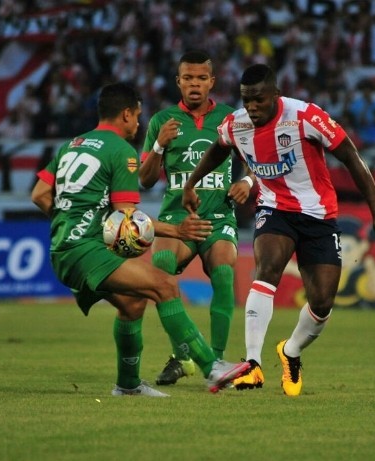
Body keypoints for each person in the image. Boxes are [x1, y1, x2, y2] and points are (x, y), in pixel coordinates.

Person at [182, 64, 375, 396]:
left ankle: (291, 351)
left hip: (318, 215)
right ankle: (252, 364)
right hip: (274, 209)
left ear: (276, 95)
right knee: (266, 270)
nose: (252, 107)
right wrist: (191, 183)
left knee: (322, 303)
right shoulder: (236, 124)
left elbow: (350, 156)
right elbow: (218, 148)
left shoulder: (305, 116)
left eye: (259, 99)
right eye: (246, 100)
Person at [31, 82, 250, 397]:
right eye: (136, 116)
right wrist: (177, 231)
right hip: (86, 251)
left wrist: (72, 222)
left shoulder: (72, 145)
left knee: (133, 304)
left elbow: (39, 194)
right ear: (125, 114)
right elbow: (128, 218)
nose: (138, 124)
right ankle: (211, 367)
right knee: (165, 285)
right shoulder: (121, 151)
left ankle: (128, 384)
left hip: (63, 247)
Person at [139, 50, 254, 386]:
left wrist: (247, 182)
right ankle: (184, 356)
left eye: (201, 78)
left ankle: (215, 360)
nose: (194, 84)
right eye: (188, 78)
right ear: (178, 81)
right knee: (160, 270)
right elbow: (145, 180)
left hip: (219, 216)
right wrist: (158, 146)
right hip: (177, 217)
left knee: (223, 273)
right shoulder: (162, 121)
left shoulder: (232, 118)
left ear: (211, 82)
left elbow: (259, 161)